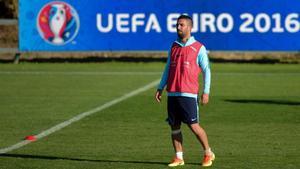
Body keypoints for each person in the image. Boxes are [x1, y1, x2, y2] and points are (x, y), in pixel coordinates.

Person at [155, 15, 215, 167]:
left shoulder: (199, 47)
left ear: (189, 27)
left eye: (181, 25)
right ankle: (178, 157)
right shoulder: (174, 46)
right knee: (174, 126)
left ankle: (208, 153)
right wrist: (160, 87)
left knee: (194, 126)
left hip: (188, 94)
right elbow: (168, 68)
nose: (178, 27)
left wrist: (206, 91)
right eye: (177, 25)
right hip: (173, 93)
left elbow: (207, 70)